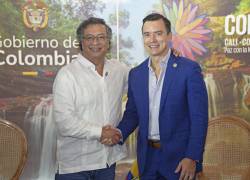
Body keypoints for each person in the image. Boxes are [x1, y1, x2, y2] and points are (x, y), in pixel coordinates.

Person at [114, 13, 208, 180]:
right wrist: (118, 133)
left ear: (169, 36)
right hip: (146, 159)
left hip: (180, 161)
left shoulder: (188, 70)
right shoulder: (136, 74)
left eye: (158, 33)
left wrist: (192, 157)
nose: (153, 40)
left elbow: (199, 119)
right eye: (147, 34)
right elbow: (132, 114)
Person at [53, 17, 127, 180]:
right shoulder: (67, 74)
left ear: (108, 42)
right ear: (81, 42)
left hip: (108, 163)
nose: (96, 42)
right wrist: (100, 132)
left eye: (101, 37)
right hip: (75, 167)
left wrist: (167, 56)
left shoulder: (119, 70)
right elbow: (64, 122)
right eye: (89, 38)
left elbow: (144, 80)